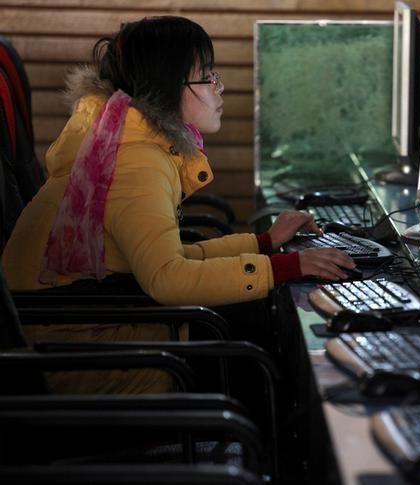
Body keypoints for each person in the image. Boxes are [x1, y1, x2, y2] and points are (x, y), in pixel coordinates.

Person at [0, 16, 355, 393]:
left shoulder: (119, 142)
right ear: (168, 87)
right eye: (207, 77)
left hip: (86, 324)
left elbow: (165, 259)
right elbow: (167, 278)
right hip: (73, 357)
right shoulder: (135, 161)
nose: (219, 87)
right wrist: (287, 266)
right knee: (262, 343)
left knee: (259, 320)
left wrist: (264, 244)